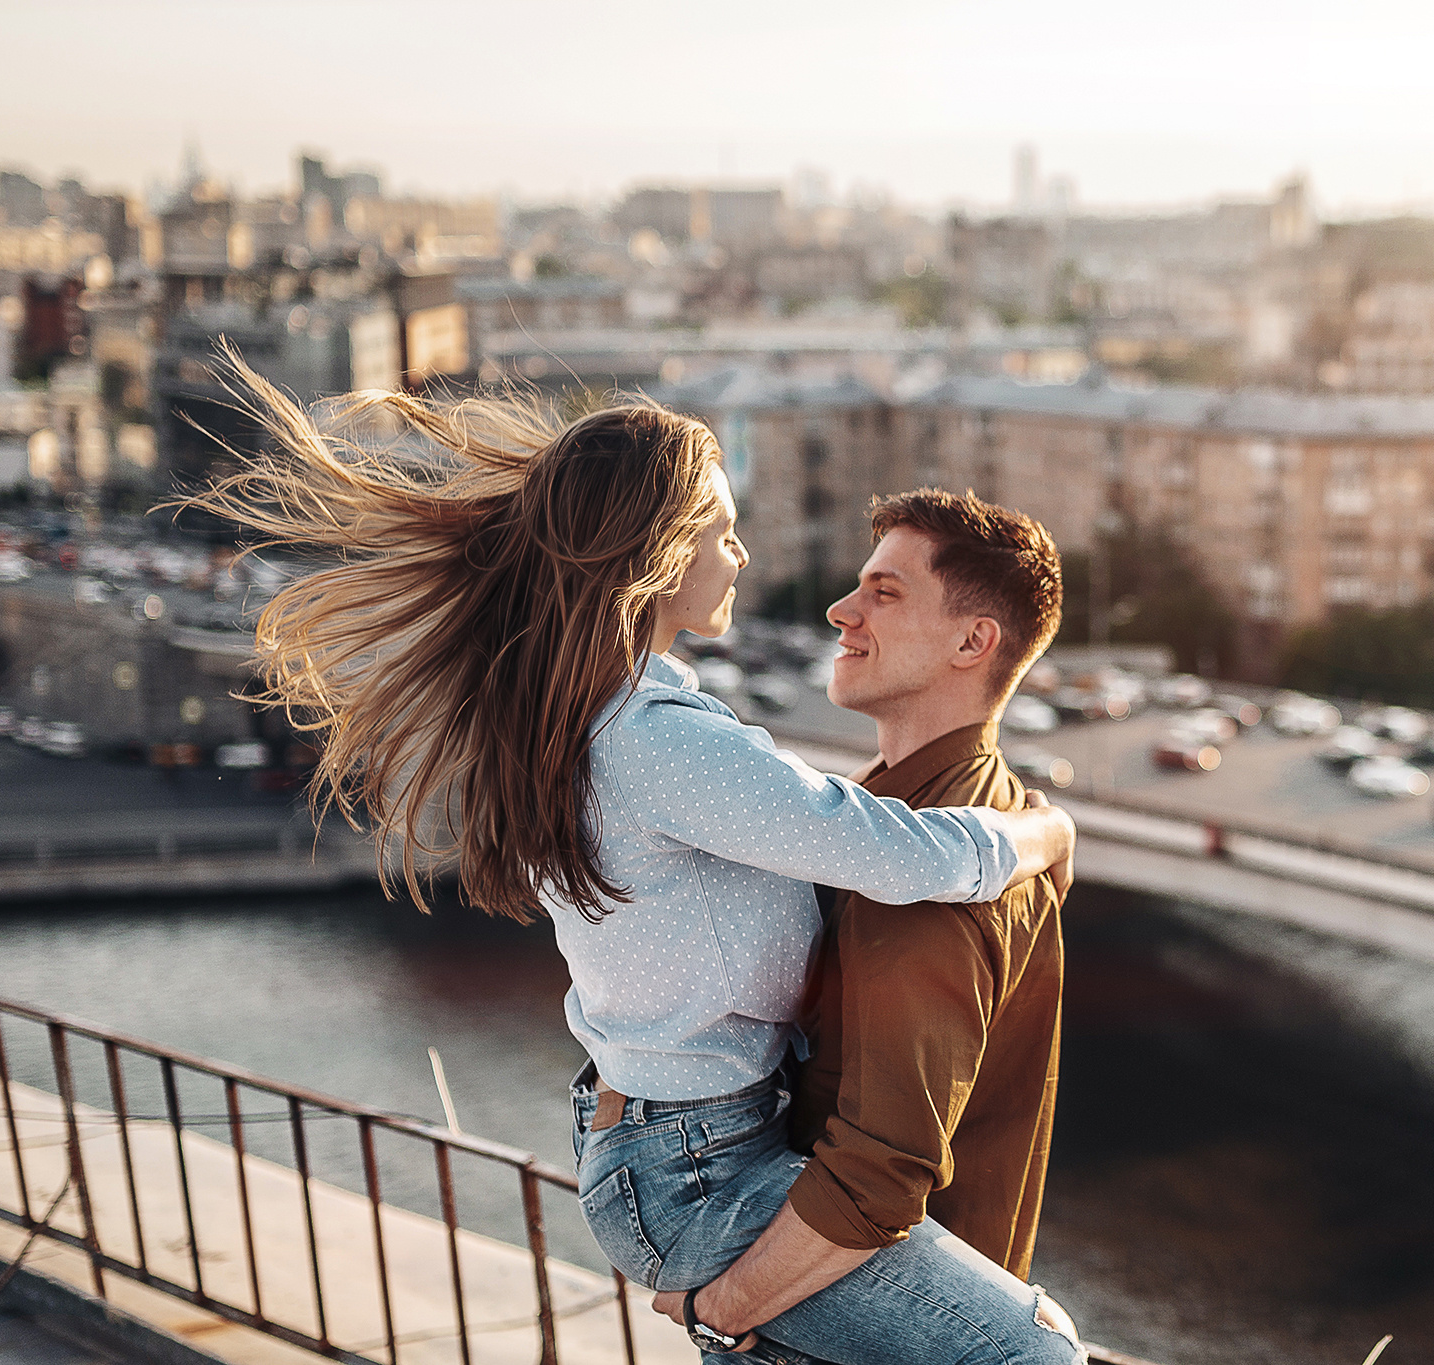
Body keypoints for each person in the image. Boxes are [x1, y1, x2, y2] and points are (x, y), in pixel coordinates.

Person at [180, 366, 1079, 1365]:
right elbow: (888, 851)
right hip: (696, 1165)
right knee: (1031, 1355)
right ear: (661, 553)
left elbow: (812, 825)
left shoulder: (616, 716)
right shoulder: (660, 742)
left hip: (675, 1146)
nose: (741, 557)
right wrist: (1043, 838)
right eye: (723, 532)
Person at [647, 490, 1080, 1363]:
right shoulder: (950, 821)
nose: (842, 610)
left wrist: (724, 1305)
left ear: (973, 641)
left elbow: (882, 1173)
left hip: (844, 1322)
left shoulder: (920, 883)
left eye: (885, 591)